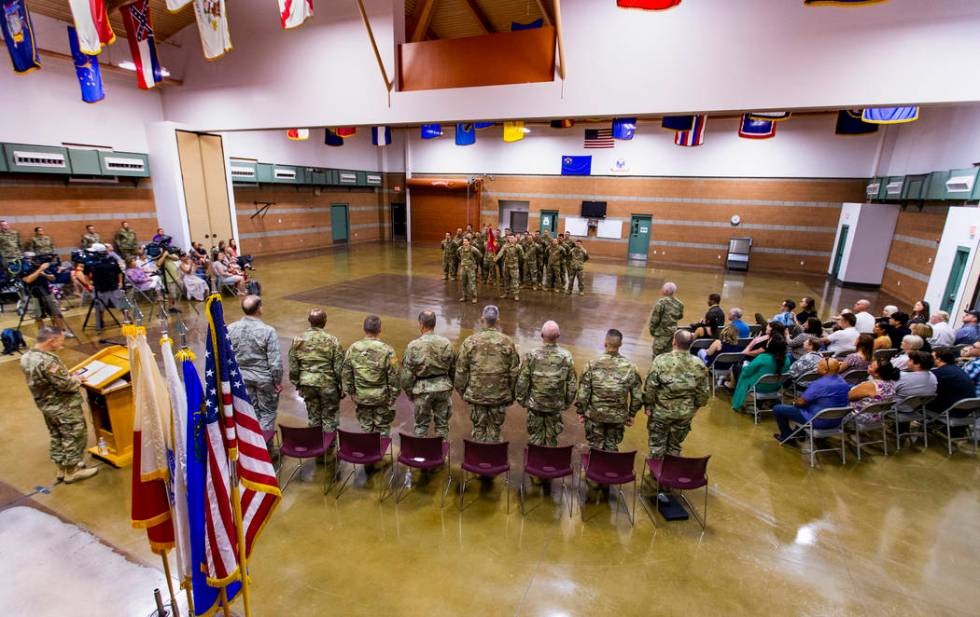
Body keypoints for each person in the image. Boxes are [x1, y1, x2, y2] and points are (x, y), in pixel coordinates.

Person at [20, 327, 99, 483]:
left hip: (46, 405)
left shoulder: (27, 357)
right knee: (74, 435)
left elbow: (47, 380)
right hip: (63, 406)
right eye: (60, 342)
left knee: (57, 435)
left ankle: (61, 467)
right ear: (51, 340)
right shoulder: (48, 361)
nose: (61, 345)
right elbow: (66, 386)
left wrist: (65, 377)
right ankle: (73, 471)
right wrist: (77, 379)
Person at [454, 305, 519, 442]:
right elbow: (514, 373)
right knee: (495, 430)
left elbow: (460, 371)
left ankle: (478, 459)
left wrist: (464, 392)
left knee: (478, 429)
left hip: (476, 395)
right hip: (499, 396)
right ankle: (493, 458)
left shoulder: (469, 342)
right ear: (498, 321)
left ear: (482, 319)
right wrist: (511, 394)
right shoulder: (508, 342)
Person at [643, 330, 710, 459]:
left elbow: (650, 387)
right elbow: (703, 394)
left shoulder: (661, 360)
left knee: (657, 447)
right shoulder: (699, 364)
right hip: (684, 414)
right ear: (690, 344)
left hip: (661, 412)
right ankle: (670, 475)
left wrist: (648, 406)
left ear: (674, 341)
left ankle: (654, 477)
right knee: (675, 446)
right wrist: (694, 408)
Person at [575, 329, 643, 452]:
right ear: (620, 345)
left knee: (595, 447)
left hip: (595, 416)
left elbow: (583, 394)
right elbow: (637, 396)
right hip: (617, 417)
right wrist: (632, 414)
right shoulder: (630, 367)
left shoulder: (592, 365)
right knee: (611, 446)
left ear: (605, 343)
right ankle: (609, 468)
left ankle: (594, 469)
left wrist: (581, 412)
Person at [515, 321, 577, 446]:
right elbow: (572, 384)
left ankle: (535, 462)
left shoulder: (532, 355)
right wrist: (566, 403)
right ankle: (549, 462)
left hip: (535, 405)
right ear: (558, 335)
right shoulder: (566, 356)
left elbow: (522, 381)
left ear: (542, 335)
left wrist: (523, 400)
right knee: (551, 438)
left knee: (535, 437)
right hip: (555, 406)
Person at [227, 296, 282, 433]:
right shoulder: (268, 331)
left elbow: (228, 355)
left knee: (251, 412)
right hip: (263, 379)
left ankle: (252, 448)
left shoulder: (231, 328)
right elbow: (275, 362)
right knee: (267, 413)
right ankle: (265, 449)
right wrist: (277, 381)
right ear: (259, 309)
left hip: (241, 378)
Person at [341, 315, 400, 436]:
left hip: (361, 397)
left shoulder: (353, 348)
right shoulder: (388, 350)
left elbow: (346, 373)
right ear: (379, 329)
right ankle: (381, 452)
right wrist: (393, 396)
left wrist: (351, 393)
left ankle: (368, 452)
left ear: (364, 329)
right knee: (382, 428)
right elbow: (395, 375)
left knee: (365, 427)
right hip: (382, 398)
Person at [288, 309, 344, 434]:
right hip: (328, 385)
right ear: (325, 322)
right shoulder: (333, 341)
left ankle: (316, 448)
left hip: (307, 384)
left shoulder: (298, 340)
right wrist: (342, 387)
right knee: (329, 419)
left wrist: (298, 383)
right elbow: (338, 368)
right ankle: (328, 450)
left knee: (313, 418)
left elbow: (293, 366)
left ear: (309, 322)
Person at [401, 311, 455, 438]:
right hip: (443, 387)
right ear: (434, 324)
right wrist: (449, 387)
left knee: (421, 426)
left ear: (421, 324)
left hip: (422, 389)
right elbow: (453, 369)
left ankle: (421, 454)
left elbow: (406, 376)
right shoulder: (446, 343)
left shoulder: (413, 346)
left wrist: (410, 393)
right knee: (442, 426)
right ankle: (442, 455)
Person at [773, 357, 850, 442]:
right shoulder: (843, 382)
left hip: (817, 420)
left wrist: (794, 402)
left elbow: (801, 402)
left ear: (825, 370)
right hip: (836, 421)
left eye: (819, 366)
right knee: (803, 406)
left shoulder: (819, 384)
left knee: (778, 408)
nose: (817, 367)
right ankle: (799, 433)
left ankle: (786, 436)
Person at [732, 335, 790, 412]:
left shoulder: (763, 357)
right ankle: (761, 403)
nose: (767, 341)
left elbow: (747, 371)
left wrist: (745, 365)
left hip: (758, 387)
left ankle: (737, 401)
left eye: (769, 341)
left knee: (742, 372)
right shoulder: (787, 360)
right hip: (775, 387)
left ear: (772, 345)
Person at [20, 253, 71, 333]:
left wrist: (44, 274)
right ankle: (43, 335)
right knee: (38, 317)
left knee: (56, 313)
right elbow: (28, 280)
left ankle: (62, 332)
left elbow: (53, 278)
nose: (33, 260)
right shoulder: (23, 268)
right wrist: (40, 270)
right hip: (33, 295)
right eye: (30, 258)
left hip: (47, 292)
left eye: (33, 258)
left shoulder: (39, 265)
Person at [83, 244, 129, 331]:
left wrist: (120, 282)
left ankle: (128, 319)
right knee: (99, 307)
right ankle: (100, 323)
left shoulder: (112, 260)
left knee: (122, 305)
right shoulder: (90, 263)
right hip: (99, 288)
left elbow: (118, 272)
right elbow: (86, 274)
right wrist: (89, 284)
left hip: (113, 287)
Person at [847, 360, 899, 427]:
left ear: (877, 373)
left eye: (871, 366)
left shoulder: (870, 385)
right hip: (879, 417)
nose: (868, 366)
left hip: (859, 417)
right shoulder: (891, 384)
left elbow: (848, 397)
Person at [928, 347, 975, 415]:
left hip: (954, 410)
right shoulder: (958, 369)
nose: (929, 359)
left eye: (932, 357)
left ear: (938, 360)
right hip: (968, 408)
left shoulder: (941, 373)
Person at [648, 282, 684, 359]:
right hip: (672, 333)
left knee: (657, 357)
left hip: (661, 333)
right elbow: (680, 316)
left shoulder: (661, 303)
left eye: (662, 289)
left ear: (666, 291)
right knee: (668, 356)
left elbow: (655, 319)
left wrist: (652, 331)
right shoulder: (679, 304)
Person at [495, 234, 524, 301]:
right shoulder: (505, 246)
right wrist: (496, 258)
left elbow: (522, 256)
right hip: (506, 266)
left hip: (514, 267)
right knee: (506, 280)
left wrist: (517, 262)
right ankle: (506, 293)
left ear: (515, 239)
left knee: (515, 281)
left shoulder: (518, 246)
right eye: (509, 238)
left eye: (512, 238)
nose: (510, 239)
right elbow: (501, 253)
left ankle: (516, 294)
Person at [457, 237, 482, 304]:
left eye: (466, 241)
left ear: (469, 242)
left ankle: (474, 297)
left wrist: (474, 262)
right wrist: (463, 262)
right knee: (463, 283)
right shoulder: (460, 249)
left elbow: (479, 255)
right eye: (463, 241)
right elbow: (458, 255)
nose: (464, 242)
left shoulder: (473, 249)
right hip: (463, 268)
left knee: (472, 283)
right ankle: (464, 296)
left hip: (471, 269)